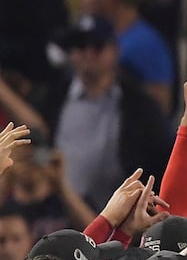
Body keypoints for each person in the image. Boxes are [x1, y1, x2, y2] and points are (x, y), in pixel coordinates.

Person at [24, 14, 172, 208]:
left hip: (122, 220)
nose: (88, 53)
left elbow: (162, 156)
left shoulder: (139, 105)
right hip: (59, 216)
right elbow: (37, 140)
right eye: (80, 46)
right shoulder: (53, 99)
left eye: (96, 45)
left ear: (115, 50)